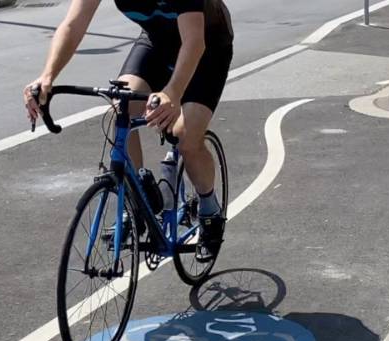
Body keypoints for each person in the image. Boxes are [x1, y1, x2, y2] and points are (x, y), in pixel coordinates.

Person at [25, 0, 234, 260]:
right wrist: (47, 76)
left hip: (207, 46)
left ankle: (209, 209)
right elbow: (73, 24)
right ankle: (139, 198)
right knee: (119, 108)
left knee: (186, 138)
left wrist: (173, 91)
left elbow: (194, 41)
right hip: (157, 42)